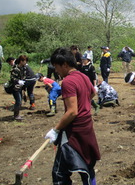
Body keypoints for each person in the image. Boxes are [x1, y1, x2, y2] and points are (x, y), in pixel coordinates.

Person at [45, 47, 100, 185]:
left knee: (59, 173)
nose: (56, 70)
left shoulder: (68, 82)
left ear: (64, 64)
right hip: (86, 126)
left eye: (57, 67)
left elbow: (72, 111)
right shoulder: (83, 76)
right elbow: (92, 93)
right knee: (87, 166)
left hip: (73, 131)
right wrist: (84, 105)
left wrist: (55, 130)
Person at [8, 55, 27, 120]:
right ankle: (16, 116)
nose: (25, 62)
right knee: (18, 101)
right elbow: (12, 79)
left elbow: (24, 77)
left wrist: (23, 86)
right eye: (24, 61)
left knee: (19, 101)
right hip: (15, 87)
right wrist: (18, 81)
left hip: (20, 87)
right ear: (21, 61)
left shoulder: (23, 68)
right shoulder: (15, 69)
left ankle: (17, 115)